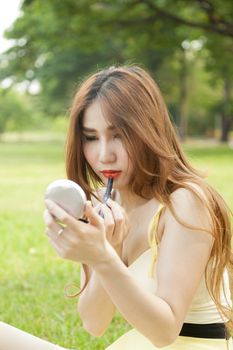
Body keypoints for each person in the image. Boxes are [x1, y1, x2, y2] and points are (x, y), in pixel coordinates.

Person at [0, 65, 232, 350]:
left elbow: (165, 331)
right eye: (91, 137)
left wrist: (103, 257)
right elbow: (94, 323)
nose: (104, 154)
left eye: (119, 134)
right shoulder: (100, 204)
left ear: (148, 130)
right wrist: (105, 251)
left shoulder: (185, 201)